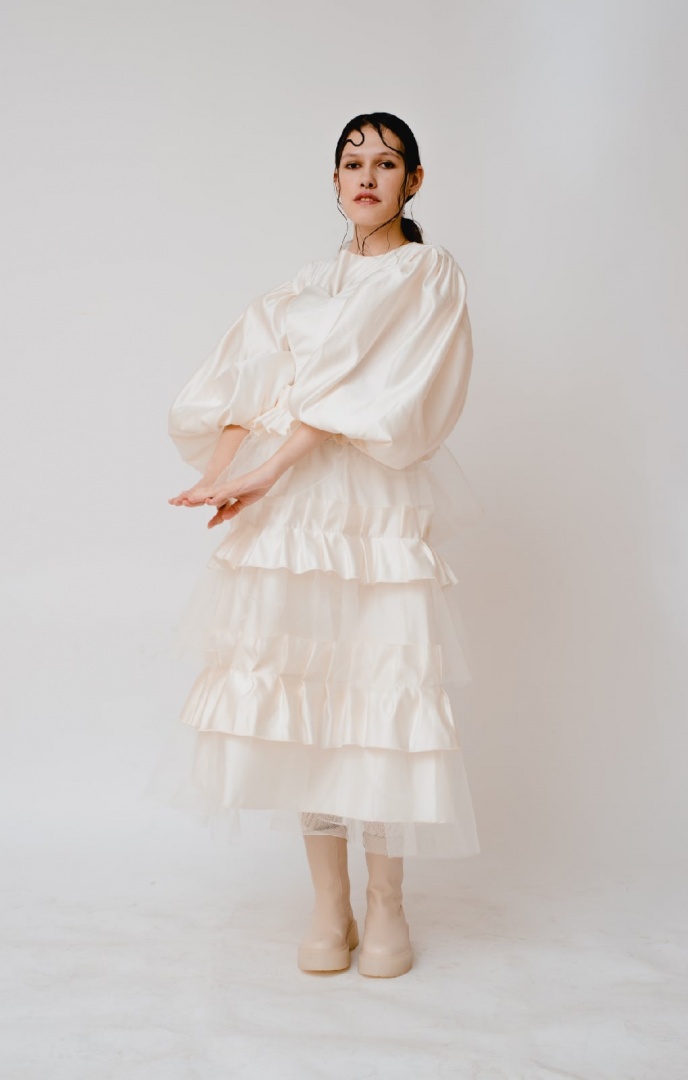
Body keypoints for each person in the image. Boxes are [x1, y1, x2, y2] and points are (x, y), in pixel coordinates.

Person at [163, 112, 482, 979]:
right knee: (308, 700)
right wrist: (223, 474)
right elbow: (250, 382)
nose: (367, 176)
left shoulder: (427, 274)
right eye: (352, 163)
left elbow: (365, 394)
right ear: (335, 181)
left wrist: (266, 471)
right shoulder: (307, 282)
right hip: (296, 515)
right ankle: (329, 904)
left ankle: (387, 905)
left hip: (368, 508)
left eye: (387, 162)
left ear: (415, 180)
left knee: (376, 698)